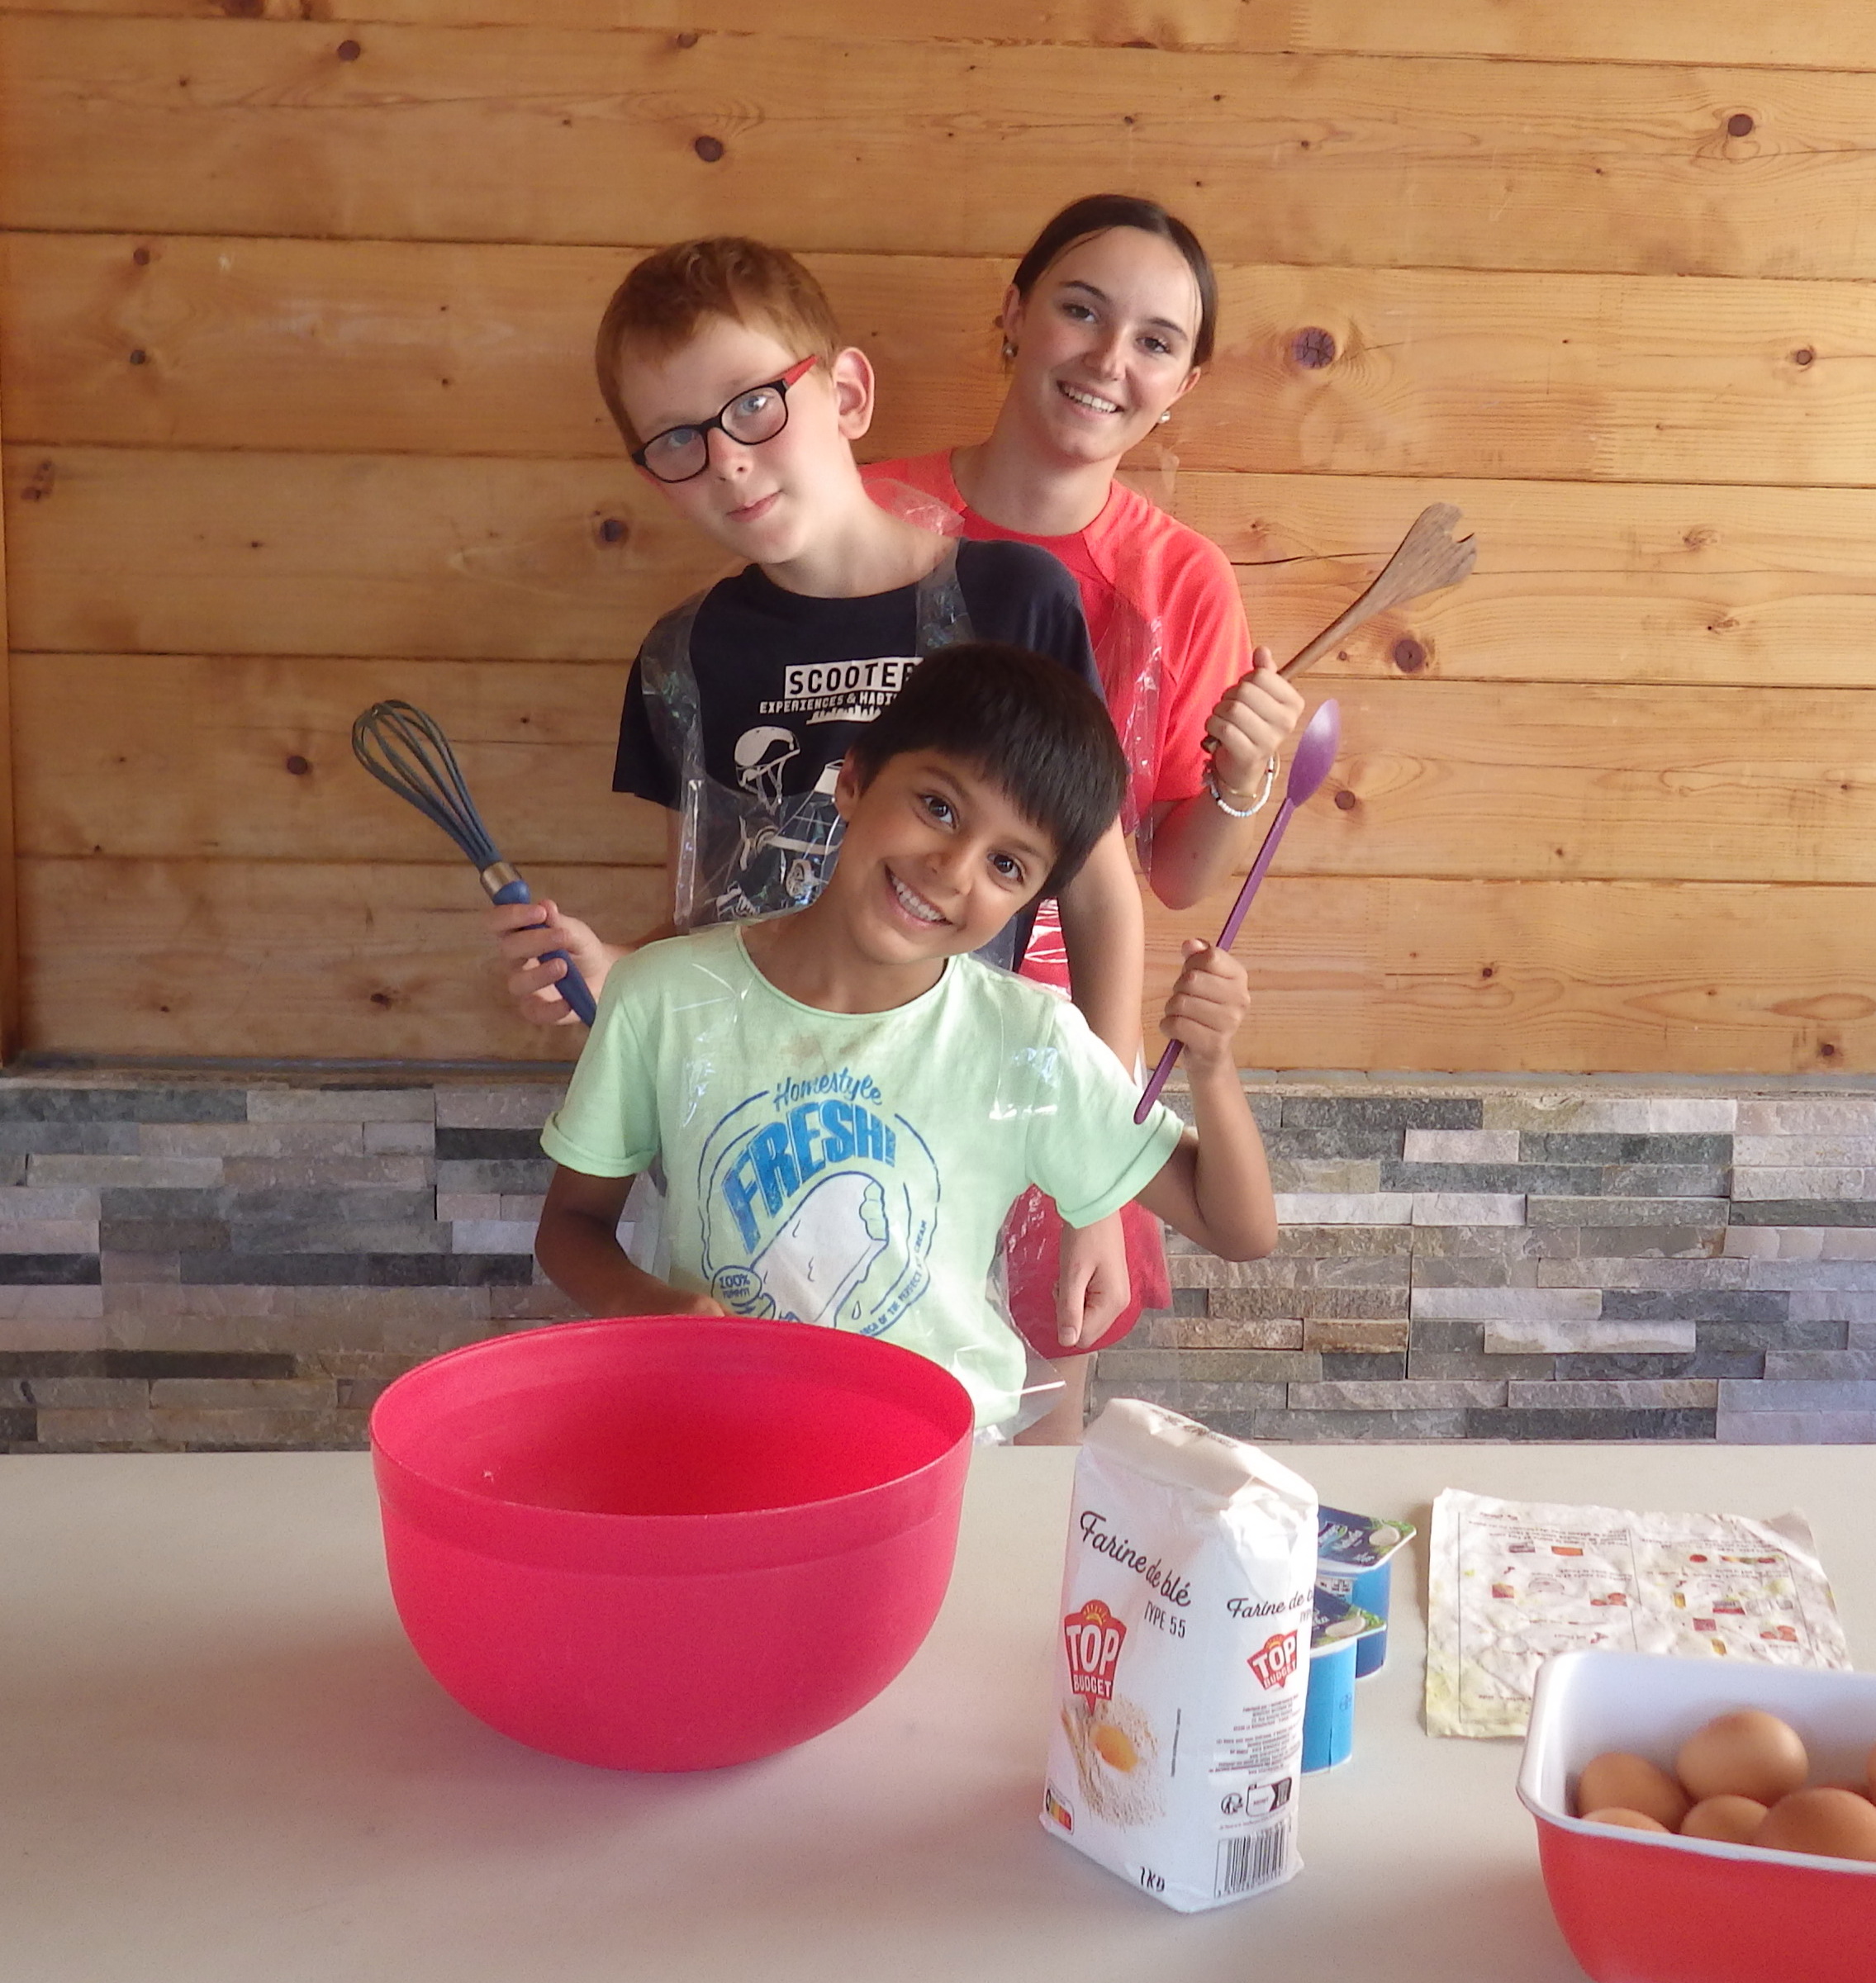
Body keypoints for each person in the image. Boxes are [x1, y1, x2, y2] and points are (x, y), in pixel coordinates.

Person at [493, 237, 1144, 1410]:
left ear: (841, 392)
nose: (727, 465)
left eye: (752, 408)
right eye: (675, 443)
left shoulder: (1008, 604)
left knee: (998, 1463)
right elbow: (701, 918)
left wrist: (1104, 1191)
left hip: (966, 1140)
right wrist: (610, 970)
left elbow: (1098, 894)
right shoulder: (684, 658)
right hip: (746, 1149)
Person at [534, 643, 1279, 1436]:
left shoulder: (1026, 1042)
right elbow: (570, 1225)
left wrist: (1212, 1067)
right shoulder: (664, 993)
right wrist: (646, 1302)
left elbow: (1238, 1227)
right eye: (939, 807)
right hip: (721, 1437)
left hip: (937, 1461)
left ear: (1033, 898)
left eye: (1005, 864)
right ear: (852, 781)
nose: (953, 870)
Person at [865, 193, 1308, 1407]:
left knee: (1032, 1422)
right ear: (1012, 316)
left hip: (1059, 1063)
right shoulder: (870, 520)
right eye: (1078, 310)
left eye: (1155, 341)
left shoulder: (1180, 581)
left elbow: (1167, 873)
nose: (1109, 360)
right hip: (853, 1034)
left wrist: (1241, 777)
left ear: (1185, 381)